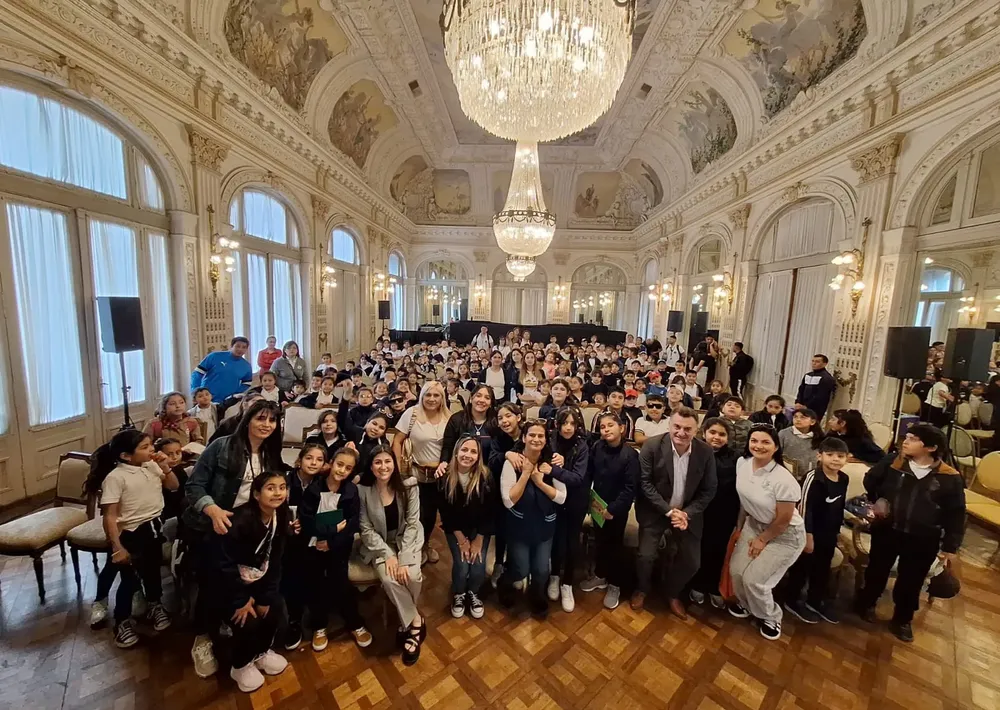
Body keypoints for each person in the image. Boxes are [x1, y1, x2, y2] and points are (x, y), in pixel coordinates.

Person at [183, 399, 284, 678]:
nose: (266, 425)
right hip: (212, 524)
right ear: (247, 418)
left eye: (272, 420)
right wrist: (212, 508)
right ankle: (202, 637)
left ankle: (246, 637)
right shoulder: (222, 445)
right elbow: (194, 486)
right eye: (260, 418)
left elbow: (275, 488)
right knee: (210, 584)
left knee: (244, 579)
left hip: (248, 529)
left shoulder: (269, 453)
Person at [854, 425, 965, 642]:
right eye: (908, 436)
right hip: (887, 530)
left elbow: (956, 514)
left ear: (931, 447)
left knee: (911, 580)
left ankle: (902, 619)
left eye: (914, 439)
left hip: (923, 538)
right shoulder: (894, 462)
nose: (906, 441)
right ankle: (866, 603)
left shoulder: (949, 477)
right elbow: (871, 480)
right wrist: (880, 501)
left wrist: (950, 546)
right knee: (877, 569)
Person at [89, 430, 178, 647]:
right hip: (131, 533)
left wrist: (165, 467)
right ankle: (121, 621)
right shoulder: (116, 477)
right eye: (145, 447)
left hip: (154, 528)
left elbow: (173, 486)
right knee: (129, 581)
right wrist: (117, 546)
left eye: (151, 445)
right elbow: (109, 516)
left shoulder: (151, 466)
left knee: (152, 572)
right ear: (126, 456)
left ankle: (155, 605)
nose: (152, 450)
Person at [633, 407, 717, 616]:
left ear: (697, 430)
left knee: (692, 562)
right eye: (676, 427)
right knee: (645, 556)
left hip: (688, 515)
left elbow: (709, 489)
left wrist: (686, 513)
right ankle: (642, 589)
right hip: (656, 511)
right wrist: (670, 512)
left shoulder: (705, 452)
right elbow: (645, 484)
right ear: (669, 425)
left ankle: (672, 592)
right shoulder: (652, 446)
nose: (681, 433)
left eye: (687, 429)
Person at [211, 471, 290, 692]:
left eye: (282, 487)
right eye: (271, 488)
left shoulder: (281, 515)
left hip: (259, 578)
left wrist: (265, 597)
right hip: (228, 584)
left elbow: (275, 558)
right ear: (256, 494)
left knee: (274, 609)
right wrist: (241, 600)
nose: (278, 493)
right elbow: (223, 565)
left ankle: (261, 652)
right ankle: (240, 665)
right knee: (248, 619)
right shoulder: (239, 520)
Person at [728, 425, 806, 641]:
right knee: (736, 571)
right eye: (754, 441)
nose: (758, 446)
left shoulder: (783, 479)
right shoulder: (742, 463)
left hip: (785, 535)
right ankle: (746, 604)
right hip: (754, 525)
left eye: (765, 442)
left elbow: (784, 519)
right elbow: (744, 500)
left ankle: (770, 616)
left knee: (755, 580)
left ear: (776, 447)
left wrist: (763, 539)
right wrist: (739, 526)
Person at [299, 447, 372, 650]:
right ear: (331, 463)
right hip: (314, 545)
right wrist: (332, 528)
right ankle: (319, 625)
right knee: (316, 584)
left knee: (341, 583)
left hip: (338, 547)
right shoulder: (314, 489)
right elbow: (307, 521)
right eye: (339, 465)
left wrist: (332, 540)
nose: (342, 470)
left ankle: (354, 622)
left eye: (348, 468)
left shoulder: (351, 491)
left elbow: (353, 523)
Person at [358, 446, 426, 665]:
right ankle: (414, 620)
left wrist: (404, 557)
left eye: (387, 461)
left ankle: (405, 619)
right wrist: (389, 555)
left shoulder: (409, 486)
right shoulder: (363, 491)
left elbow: (413, 523)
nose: (383, 467)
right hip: (379, 544)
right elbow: (365, 529)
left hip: (407, 539)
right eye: (377, 462)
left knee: (413, 576)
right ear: (371, 466)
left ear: (394, 464)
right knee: (389, 578)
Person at [499, 419, 568, 617]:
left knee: (541, 570)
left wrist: (539, 482)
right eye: (532, 435)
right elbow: (508, 500)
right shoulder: (512, 463)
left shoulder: (551, 463)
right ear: (523, 438)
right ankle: (506, 584)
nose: (536, 439)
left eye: (540, 436)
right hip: (519, 527)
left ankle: (537, 595)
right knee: (520, 568)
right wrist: (526, 474)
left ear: (546, 440)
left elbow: (562, 497)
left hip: (544, 527)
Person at [784, 437, 850, 625]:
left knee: (822, 568)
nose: (835, 459)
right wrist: (808, 535)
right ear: (819, 456)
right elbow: (804, 508)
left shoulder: (844, 478)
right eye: (830, 455)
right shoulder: (812, 477)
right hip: (809, 532)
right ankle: (792, 600)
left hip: (829, 533)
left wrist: (837, 531)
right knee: (802, 567)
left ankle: (815, 600)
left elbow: (838, 506)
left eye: (840, 456)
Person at [580, 412, 637, 610]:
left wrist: (612, 509)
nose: (606, 430)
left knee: (615, 546)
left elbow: (630, 488)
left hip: (616, 509)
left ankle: (615, 584)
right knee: (600, 542)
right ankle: (601, 576)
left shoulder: (629, 455)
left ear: (621, 428)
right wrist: (589, 498)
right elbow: (590, 473)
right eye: (603, 427)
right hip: (598, 504)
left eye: (610, 425)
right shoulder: (597, 447)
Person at [392, 381, 449, 565]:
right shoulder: (412, 413)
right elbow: (397, 440)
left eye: (436, 395)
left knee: (431, 514)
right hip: (416, 473)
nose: (432, 399)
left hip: (440, 475)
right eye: (428, 395)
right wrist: (399, 466)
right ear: (422, 396)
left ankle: (425, 545)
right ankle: (413, 547)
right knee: (415, 514)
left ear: (442, 398)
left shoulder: (449, 417)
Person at [438, 435, 493, 620]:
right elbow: (446, 514)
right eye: (464, 450)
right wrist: (461, 540)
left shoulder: (485, 476)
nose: (467, 455)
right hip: (456, 530)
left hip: (479, 530)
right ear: (456, 451)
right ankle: (459, 594)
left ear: (479, 456)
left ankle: (474, 593)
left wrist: (478, 540)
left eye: (473, 451)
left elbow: (490, 512)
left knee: (477, 564)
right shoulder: (445, 477)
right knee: (462, 566)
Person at [689, 418, 738, 609]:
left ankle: (713, 586)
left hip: (724, 511)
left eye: (722, 434)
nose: (716, 437)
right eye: (713, 432)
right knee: (699, 549)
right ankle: (697, 584)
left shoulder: (736, 458)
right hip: (699, 511)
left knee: (718, 550)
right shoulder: (694, 451)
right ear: (704, 432)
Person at [546, 408, 591, 613]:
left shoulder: (582, 445)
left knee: (572, 543)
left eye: (573, 423)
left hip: (576, 500)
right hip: (554, 498)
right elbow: (540, 462)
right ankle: (554, 576)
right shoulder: (550, 439)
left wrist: (557, 468)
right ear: (557, 423)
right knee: (556, 540)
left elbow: (578, 478)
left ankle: (568, 584)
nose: (568, 427)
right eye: (565, 423)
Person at [440, 384, 496, 467]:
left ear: (491, 403)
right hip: (461, 469)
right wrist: (444, 462)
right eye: (478, 396)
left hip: (488, 472)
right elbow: (448, 447)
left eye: (487, 398)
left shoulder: (496, 422)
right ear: (470, 399)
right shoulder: (456, 419)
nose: (482, 400)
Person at [191, 336, 253, 403]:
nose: (240, 349)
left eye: (244, 347)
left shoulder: (246, 366)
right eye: (238, 346)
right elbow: (197, 373)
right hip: (206, 399)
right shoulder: (214, 356)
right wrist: (196, 391)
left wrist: (235, 394)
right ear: (231, 346)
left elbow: (247, 383)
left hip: (227, 401)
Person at [778, 408, 823, 479]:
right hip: (787, 474)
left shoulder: (819, 437)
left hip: (811, 475)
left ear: (812, 422)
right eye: (795, 417)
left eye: (803, 417)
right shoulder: (783, 434)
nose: (798, 419)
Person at [794, 354, 837, 420]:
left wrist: (807, 406)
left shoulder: (827, 378)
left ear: (825, 364)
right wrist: (798, 402)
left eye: (817, 362)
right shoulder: (808, 375)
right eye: (813, 361)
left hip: (816, 409)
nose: (814, 363)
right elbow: (801, 389)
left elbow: (821, 396)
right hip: (802, 407)